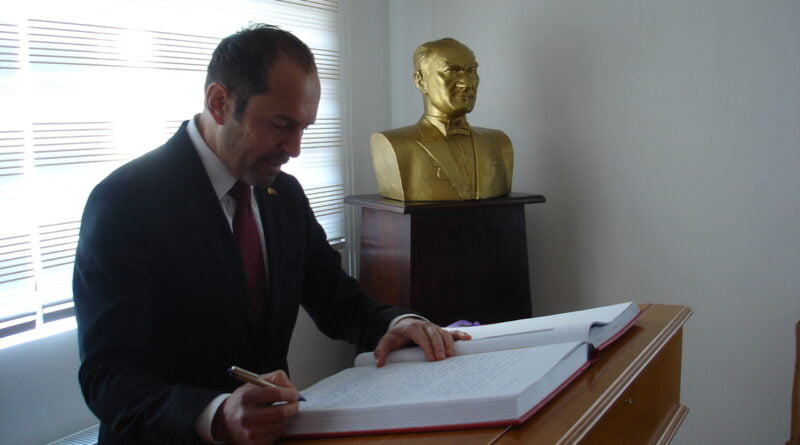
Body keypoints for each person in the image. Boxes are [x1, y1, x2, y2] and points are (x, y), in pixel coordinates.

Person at [73, 24, 469, 445]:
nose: (295, 149)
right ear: (220, 102)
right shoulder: (126, 201)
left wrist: (399, 323)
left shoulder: (284, 194)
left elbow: (339, 302)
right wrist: (215, 415)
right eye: (281, 125)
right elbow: (107, 376)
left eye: (304, 128)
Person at [370, 37, 513, 201]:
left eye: (471, 71)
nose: (466, 83)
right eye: (451, 71)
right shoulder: (394, 143)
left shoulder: (499, 143)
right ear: (420, 81)